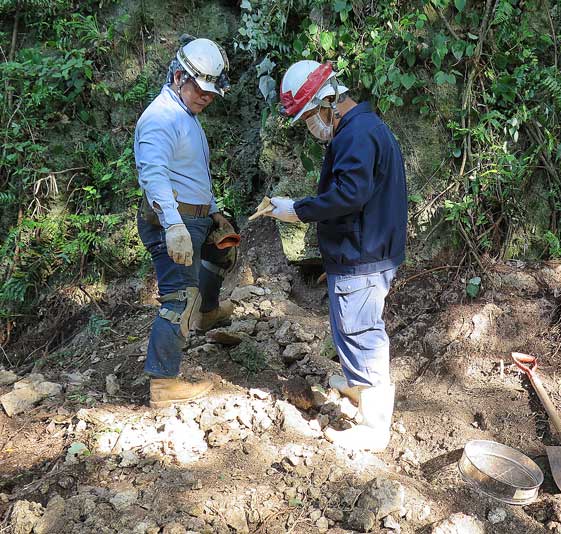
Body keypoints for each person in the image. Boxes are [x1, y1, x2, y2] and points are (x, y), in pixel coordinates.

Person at [252, 60, 408, 452]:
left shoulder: (356, 135)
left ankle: (374, 426)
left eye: (309, 115)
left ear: (329, 101)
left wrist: (298, 209)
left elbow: (349, 195)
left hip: (363, 253)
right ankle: (358, 387)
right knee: (350, 323)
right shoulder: (366, 128)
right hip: (366, 248)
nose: (311, 125)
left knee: (360, 329)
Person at [135, 36, 238, 408]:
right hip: (172, 220)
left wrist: (213, 213)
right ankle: (163, 384)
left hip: (194, 216)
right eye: (202, 90)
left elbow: (192, 173)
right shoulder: (161, 118)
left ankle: (208, 314)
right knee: (179, 295)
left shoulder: (185, 115)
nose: (207, 98)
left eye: (212, 92)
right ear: (180, 77)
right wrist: (174, 226)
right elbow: (153, 173)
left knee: (223, 254)